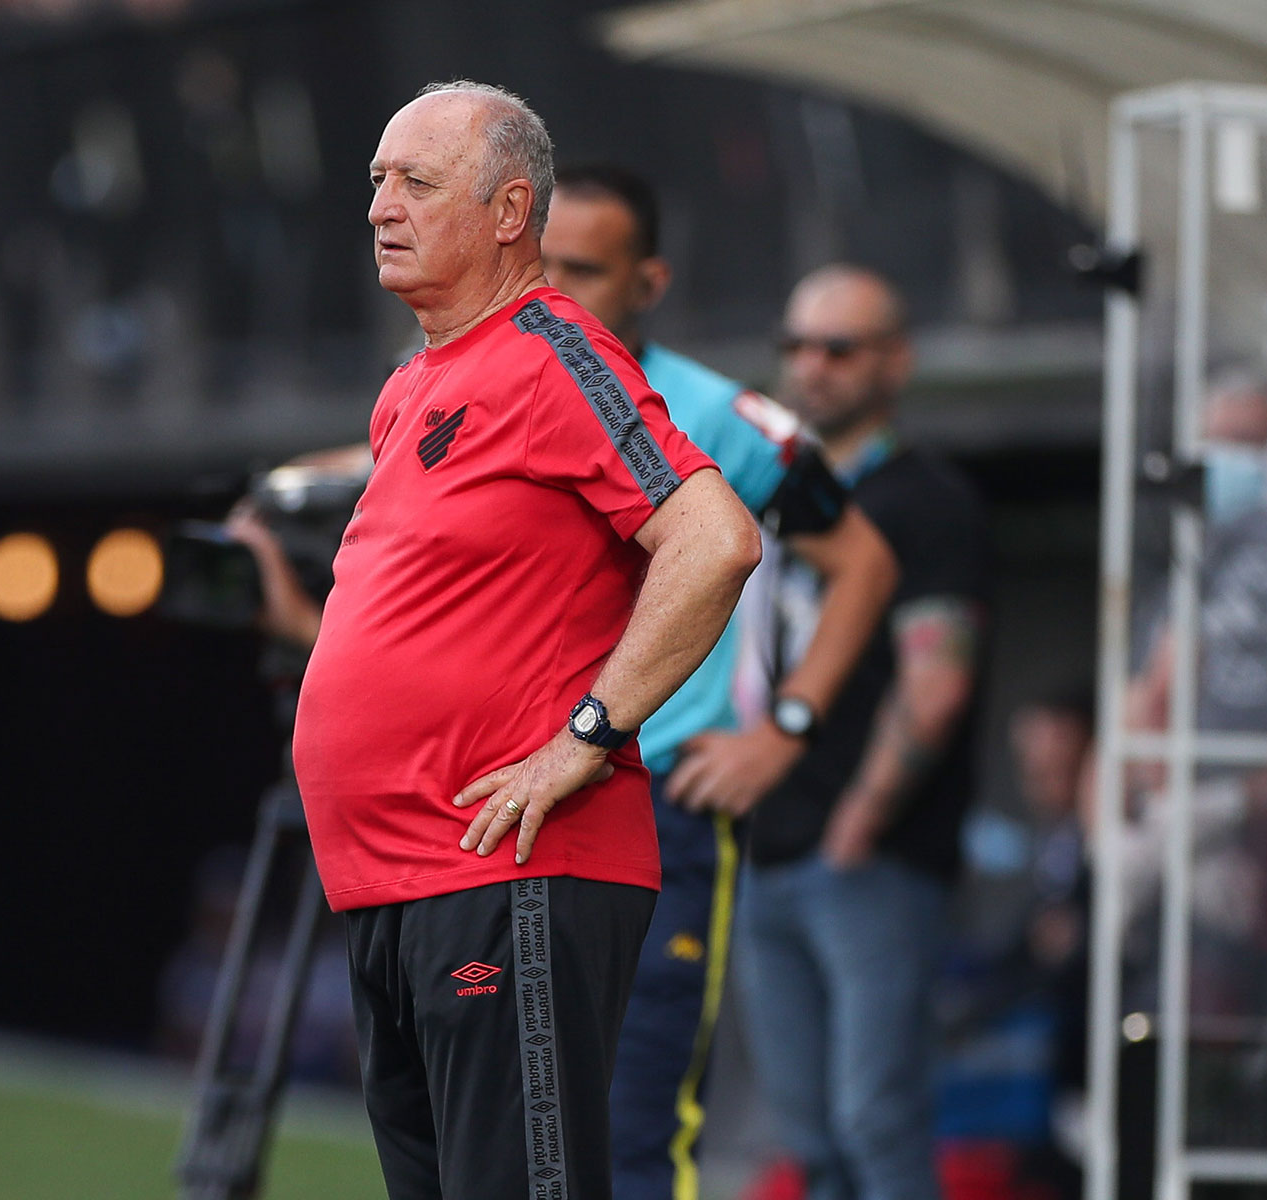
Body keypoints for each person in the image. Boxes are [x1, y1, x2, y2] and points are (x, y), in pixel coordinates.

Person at [293, 81, 762, 1200]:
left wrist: (587, 736)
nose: (381, 207)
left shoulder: (552, 352)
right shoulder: (413, 383)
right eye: (377, 181)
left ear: (510, 212)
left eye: (417, 182)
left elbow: (715, 541)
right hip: (394, 885)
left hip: (511, 877)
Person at [540, 161, 900, 1200]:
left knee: (634, 1125)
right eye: (540, 264)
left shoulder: (720, 417)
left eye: (583, 269)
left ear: (648, 282)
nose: (554, 291)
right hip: (501, 797)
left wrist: (786, 726)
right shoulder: (469, 390)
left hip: (657, 802)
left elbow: (864, 564)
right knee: (494, 1125)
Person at [732, 264, 991, 1200]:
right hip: (772, 846)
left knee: (876, 1124)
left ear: (896, 361)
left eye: (839, 347)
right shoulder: (781, 490)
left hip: (871, 858)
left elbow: (938, 680)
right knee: (812, 1141)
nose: (813, 365)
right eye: (797, 344)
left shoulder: (924, 500)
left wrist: (864, 816)